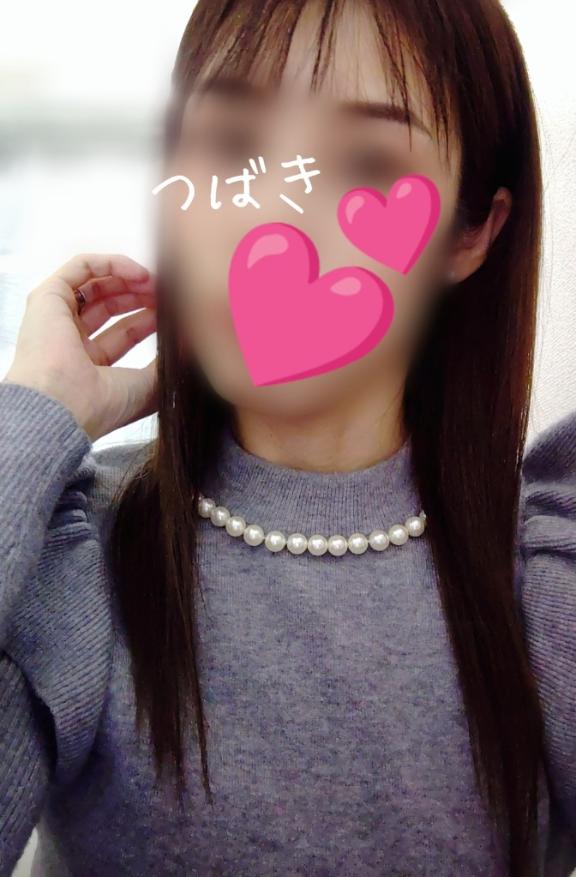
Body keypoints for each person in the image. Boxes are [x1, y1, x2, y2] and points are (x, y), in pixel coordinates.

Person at [1, 1, 575, 875]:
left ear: (471, 234)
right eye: (231, 146)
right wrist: (33, 413)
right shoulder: (73, 555)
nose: (270, 216)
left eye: (366, 164)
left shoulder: (543, 575)